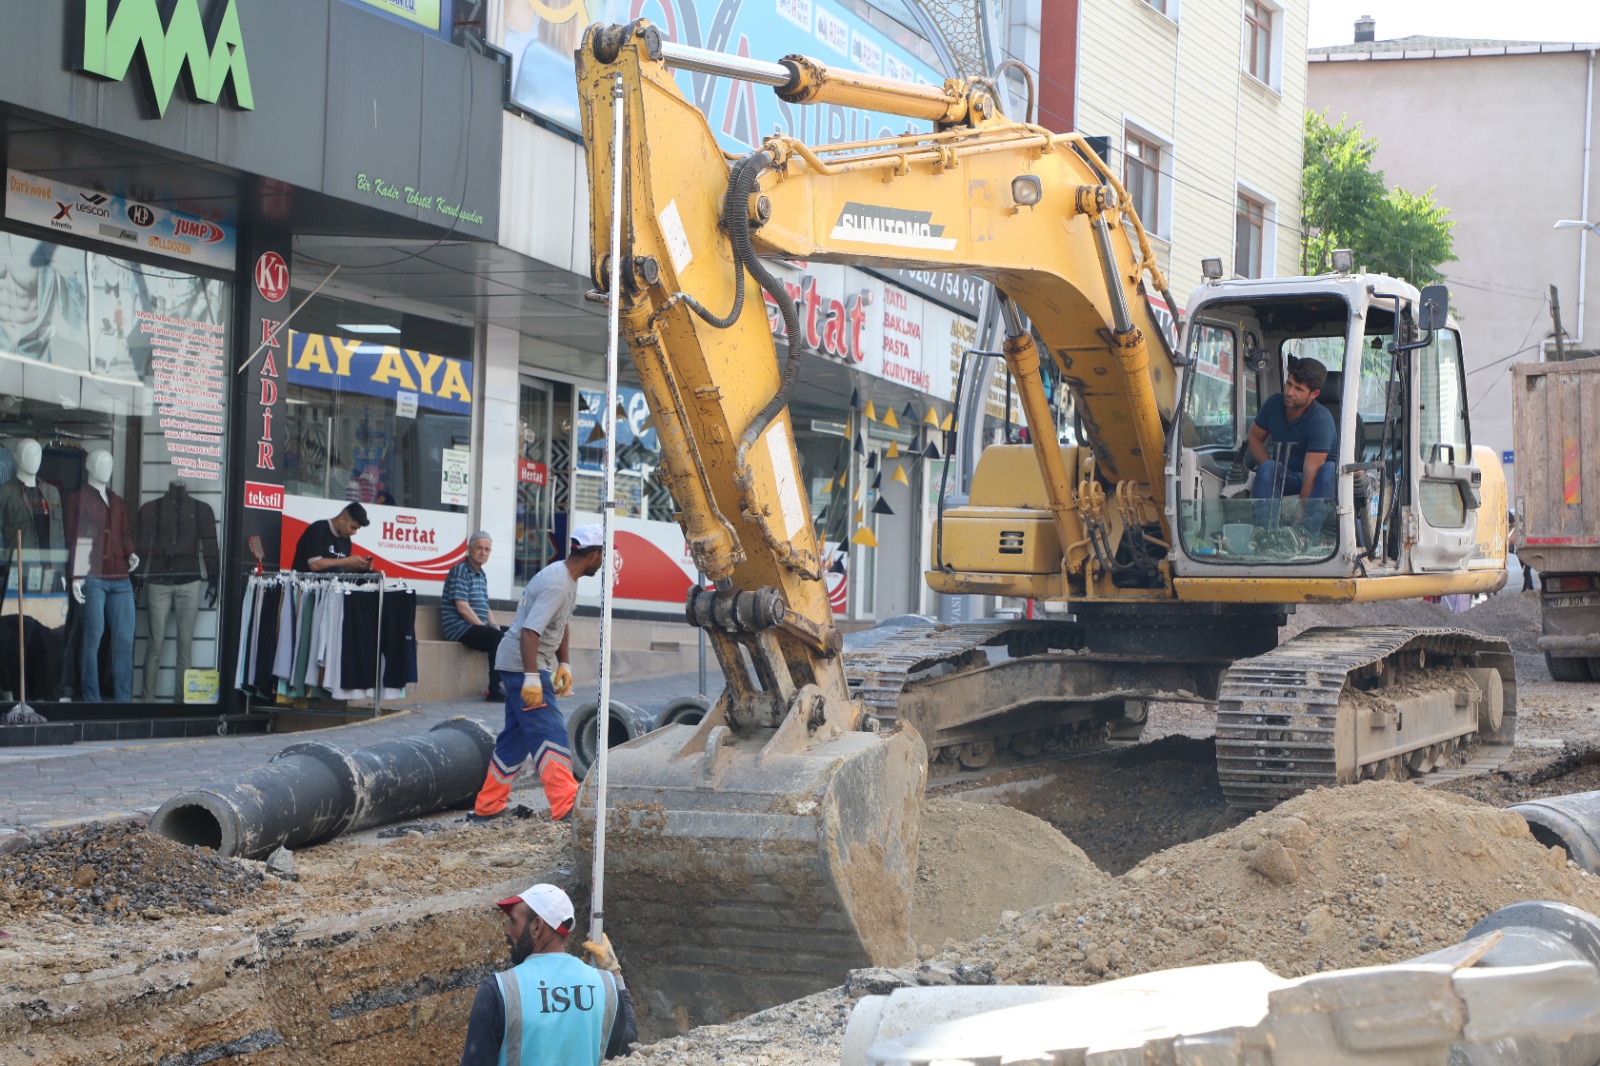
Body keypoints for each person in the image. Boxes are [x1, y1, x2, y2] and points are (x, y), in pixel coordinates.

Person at [467, 525, 606, 824]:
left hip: (522, 661)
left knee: (514, 740)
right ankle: (567, 805)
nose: (603, 561)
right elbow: (530, 631)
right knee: (550, 731)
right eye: (603, 555)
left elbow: (561, 623)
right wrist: (532, 677)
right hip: (523, 663)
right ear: (594, 554)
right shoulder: (558, 583)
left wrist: (564, 663)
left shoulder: (566, 577)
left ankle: (488, 806)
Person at [457, 882, 635, 1065]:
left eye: (513, 921)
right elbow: (629, 1047)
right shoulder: (605, 985)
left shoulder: (499, 990)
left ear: (537, 926)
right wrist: (614, 971)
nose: (506, 931)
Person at [1249, 356, 1337, 544]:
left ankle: (1303, 536)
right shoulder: (1274, 404)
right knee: (1267, 467)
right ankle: (1265, 535)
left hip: (1317, 482)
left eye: (1298, 389)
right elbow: (1254, 437)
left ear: (1314, 394)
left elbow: (1311, 474)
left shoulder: (1321, 421)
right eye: (1288, 384)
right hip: (1288, 475)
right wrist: (1270, 463)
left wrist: (1300, 513)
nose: (1289, 392)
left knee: (1330, 470)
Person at [441, 531, 507, 702]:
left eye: (487, 549)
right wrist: (486, 628)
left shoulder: (481, 574)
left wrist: (494, 626)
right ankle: (495, 689)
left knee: (513, 634)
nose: (483, 553)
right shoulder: (460, 570)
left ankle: (512, 685)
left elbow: (485, 607)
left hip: (475, 625)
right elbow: (462, 608)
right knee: (496, 638)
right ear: (469, 549)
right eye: (479, 548)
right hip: (459, 627)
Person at [291, 502, 372, 573]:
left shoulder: (346, 539)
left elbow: (343, 567)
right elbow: (314, 564)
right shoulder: (319, 529)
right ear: (342, 519)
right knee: (337, 572)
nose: (354, 532)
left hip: (332, 584)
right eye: (353, 527)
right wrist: (347, 561)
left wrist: (360, 566)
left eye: (357, 529)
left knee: (370, 574)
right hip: (306, 584)